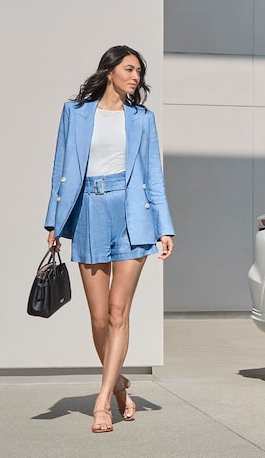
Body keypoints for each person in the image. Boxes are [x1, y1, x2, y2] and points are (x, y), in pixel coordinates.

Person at [44, 45, 175, 433]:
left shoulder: (142, 120)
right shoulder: (76, 113)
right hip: (88, 212)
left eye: (140, 71)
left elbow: (154, 176)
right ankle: (118, 384)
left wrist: (165, 227)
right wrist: (54, 222)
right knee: (99, 317)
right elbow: (60, 168)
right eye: (130, 69)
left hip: (134, 216)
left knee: (119, 314)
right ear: (110, 71)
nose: (136, 76)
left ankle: (103, 403)